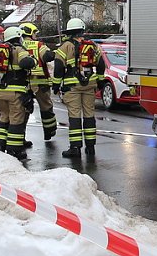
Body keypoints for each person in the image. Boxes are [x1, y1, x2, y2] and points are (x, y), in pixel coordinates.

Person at [53, 18, 105, 158]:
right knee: (89, 114)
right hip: (90, 85)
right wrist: (99, 82)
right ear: (82, 30)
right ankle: (90, 147)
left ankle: (75, 148)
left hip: (72, 86)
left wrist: (56, 85)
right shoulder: (92, 45)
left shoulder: (65, 47)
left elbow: (58, 67)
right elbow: (101, 65)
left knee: (74, 116)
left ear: (69, 32)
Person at [0, 26, 36, 160]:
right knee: (16, 120)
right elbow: (25, 62)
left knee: (4, 117)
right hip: (15, 92)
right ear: (18, 36)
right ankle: (15, 150)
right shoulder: (19, 49)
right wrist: (33, 60)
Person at [20, 22, 58, 141]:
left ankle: (21, 137)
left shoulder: (17, 46)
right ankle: (49, 132)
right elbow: (47, 57)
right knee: (46, 107)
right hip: (41, 82)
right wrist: (56, 52)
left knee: (23, 110)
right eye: (35, 33)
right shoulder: (38, 45)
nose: (36, 35)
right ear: (29, 33)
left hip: (24, 83)